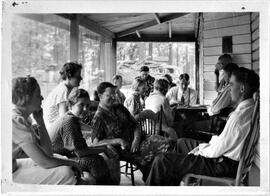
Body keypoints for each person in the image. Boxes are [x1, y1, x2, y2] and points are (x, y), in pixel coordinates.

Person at [145, 67, 259, 185]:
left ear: (242, 89)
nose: (229, 89)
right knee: (180, 142)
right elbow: (223, 144)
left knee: (162, 160)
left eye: (231, 84)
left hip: (221, 164)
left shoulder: (239, 117)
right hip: (224, 159)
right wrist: (204, 147)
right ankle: (174, 183)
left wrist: (200, 150)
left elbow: (217, 150)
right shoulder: (249, 109)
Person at [12, 76, 92, 185]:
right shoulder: (15, 120)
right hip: (6, 175)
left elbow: (48, 152)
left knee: (59, 158)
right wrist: (72, 163)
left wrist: (40, 121)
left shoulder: (24, 118)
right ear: (27, 98)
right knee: (66, 172)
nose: (42, 98)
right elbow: (45, 162)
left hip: (14, 166)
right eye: (38, 94)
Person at [91, 82, 175, 181]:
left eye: (115, 94)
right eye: (109, 95)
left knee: (168, 143)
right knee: (164, 147)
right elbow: (96, 142)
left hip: (140, 139)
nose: (114, 97)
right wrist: (118, 140)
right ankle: (155, 178)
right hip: (127, 149)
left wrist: (136, 139)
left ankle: (155, 178)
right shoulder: (99, 117)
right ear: (100, 96)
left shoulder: (119, 107)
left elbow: (135, 124)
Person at [48, 88, 115, 185]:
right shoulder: (69, 121)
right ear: (70, 105)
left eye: (87, 106)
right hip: (56, 160)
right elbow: (80, 152)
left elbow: (82, 145)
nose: (85, 109)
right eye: (81, 105)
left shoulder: (72, 117)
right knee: (94, 160)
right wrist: (104, 148)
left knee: (96, 156)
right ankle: (106, 188)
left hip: (64, 155)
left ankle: (107, 186)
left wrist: (102, 147)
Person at [43, 62, 83, 130]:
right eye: (78, 76)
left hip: (56, 128)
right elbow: (65, 120)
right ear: (69, 76)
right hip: (54, 131)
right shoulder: (63, 91)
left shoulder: (64, 88)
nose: (81, 78)